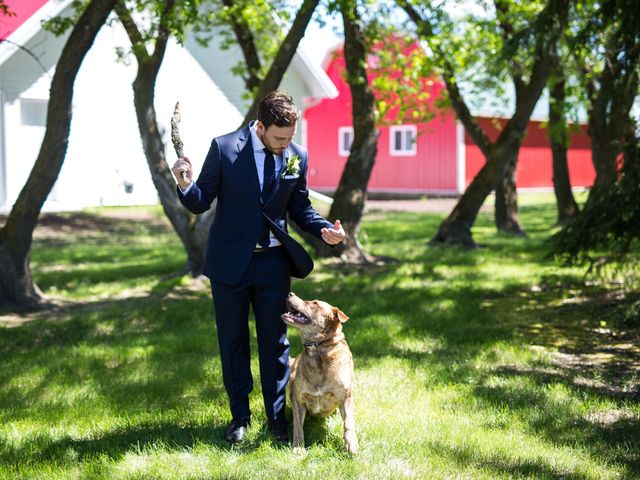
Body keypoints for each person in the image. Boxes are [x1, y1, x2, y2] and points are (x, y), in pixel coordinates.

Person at [171, 91, 345, 444]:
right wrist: (184, 182)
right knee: (232, 342)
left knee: (275, 344)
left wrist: (322, 229)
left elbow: (300, 207)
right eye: (280, 138)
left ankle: (277, 418)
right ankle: (239, 419)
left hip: (273, 264)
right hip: (229, 264)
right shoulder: (224, 148)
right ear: (261, 126)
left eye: (291, 137)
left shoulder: (296, 155)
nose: (286, 145)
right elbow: (200, 201)